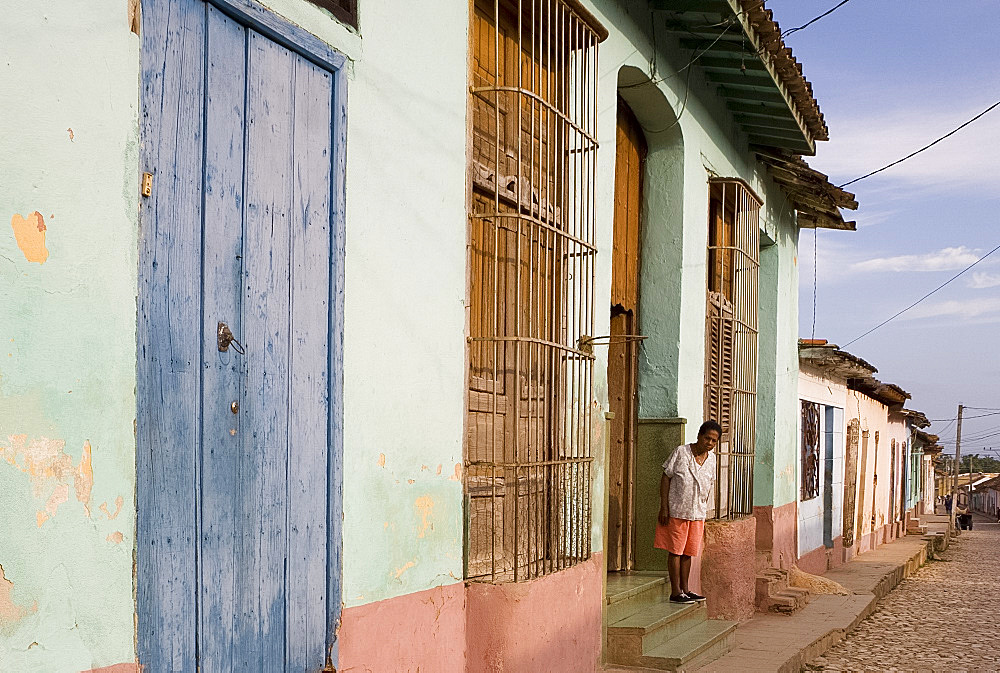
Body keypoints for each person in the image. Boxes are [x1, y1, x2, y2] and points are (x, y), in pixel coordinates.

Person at [654, 420, 720, 605]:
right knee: (675, 551)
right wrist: (664, 507)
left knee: (688, 552)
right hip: (677, 510)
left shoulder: (712, 459)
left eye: (714, 441)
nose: (709, 443)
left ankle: (686, 589)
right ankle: (675, 592)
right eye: (707, 438)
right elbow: (666, 477)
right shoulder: (681, 452)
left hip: (697, 512)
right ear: (699, 436)